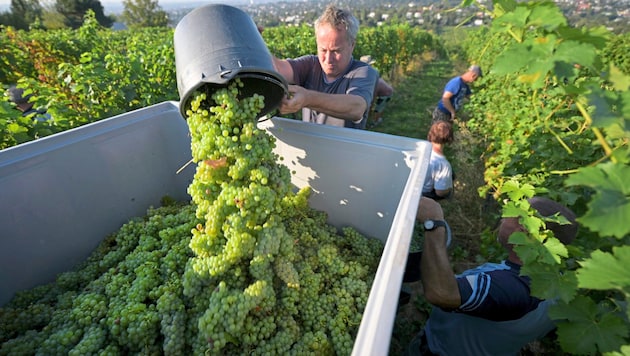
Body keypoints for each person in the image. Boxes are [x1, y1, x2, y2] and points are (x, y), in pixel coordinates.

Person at [409, 196, 579, 356]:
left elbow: (442, 293)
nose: (503, 215)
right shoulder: (558, 285)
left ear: (524, 231)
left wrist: (433, 223)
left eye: (511, 213)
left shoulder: (513, 288)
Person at [269, 4, 378, 129]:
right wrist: (253, 44)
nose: (328, 59)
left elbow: (357, 107)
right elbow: (277, 68)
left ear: (352, 45)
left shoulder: (363, 72)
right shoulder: (311, 64)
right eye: (323, 50)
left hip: (343, 149)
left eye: (336, 51)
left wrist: (308, 98)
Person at [422, 121, 454, 200]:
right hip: (422, 196)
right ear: (449, 139)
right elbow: (440, 192)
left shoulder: (420, 148)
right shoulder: (443, 164)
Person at [360, 55, 394, 127]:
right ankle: (376, 119)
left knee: (379, 108)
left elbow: (374, 94)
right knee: (379, 107)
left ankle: (375, 122)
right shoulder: (372, 74)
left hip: (386, 93)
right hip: (385, 91)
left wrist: (370, 105)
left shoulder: (372, 77)